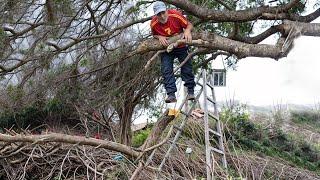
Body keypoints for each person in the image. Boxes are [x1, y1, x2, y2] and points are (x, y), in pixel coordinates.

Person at [150, 1, 196, 103]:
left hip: (180, 45)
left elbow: (189, 24)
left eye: (163, 12)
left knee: (187, 67)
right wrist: (159, 36)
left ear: (166, 10)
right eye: (159, 14)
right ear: (155, 15)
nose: (162, 16)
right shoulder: (153, 23)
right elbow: (154, 34)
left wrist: (187, 31)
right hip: (166, 49)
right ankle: (171, 95)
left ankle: (191, 91)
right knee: (166, 69)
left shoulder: (175, 15)